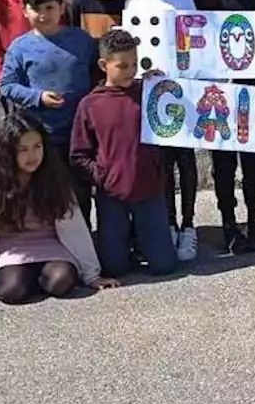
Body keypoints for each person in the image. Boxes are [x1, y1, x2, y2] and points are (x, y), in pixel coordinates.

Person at [0, 112, 114, 306]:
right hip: (12, 249)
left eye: (37, 147)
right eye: (23, 149)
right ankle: (24, 278)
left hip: (51, 246)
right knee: (11, 290)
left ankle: (36, 278)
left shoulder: (54, 180)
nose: (32, 155)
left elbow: (74, 229)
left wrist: (91, 274)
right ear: (7, 152)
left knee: (62, 280)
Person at [69, 29, 178, 277]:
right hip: (112, 195)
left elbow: (175, 116)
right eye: (122, 66)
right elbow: (78, 155)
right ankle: (128, 245)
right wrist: (103, 176)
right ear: (103, 65)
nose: (131, 71)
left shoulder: (147, 93)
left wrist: (160, 84)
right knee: (114, 268)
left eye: (135, 64)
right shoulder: (90, 104)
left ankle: (146, 243)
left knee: (165, 266)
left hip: (149, 188)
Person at [191, 0, 255, 253]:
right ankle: (227, 221)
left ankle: (254, 218)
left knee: (253, 161)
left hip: (253, 88)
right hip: (216, 93)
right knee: (223, 162)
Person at [0, 0, 97, 225]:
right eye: (36, 8)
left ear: (62, 7)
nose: (43, 15)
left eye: (49, 8)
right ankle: (49, 245)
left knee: (80, 194)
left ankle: (83, 244)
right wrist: (38, 97)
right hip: (41, 138)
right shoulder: (19, 47)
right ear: (25, 11)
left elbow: (99, 78)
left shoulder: (82, 41)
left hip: (79, 136)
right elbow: (7, 85)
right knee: (43, 194)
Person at [125, 0, 200, 262]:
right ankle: (168, 222)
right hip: (149, 94)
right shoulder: (133, 4)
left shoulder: (184, 0)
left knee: (185, 160)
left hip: (182, 93)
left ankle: (189, 225)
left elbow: (197, 46)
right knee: (162, 164)